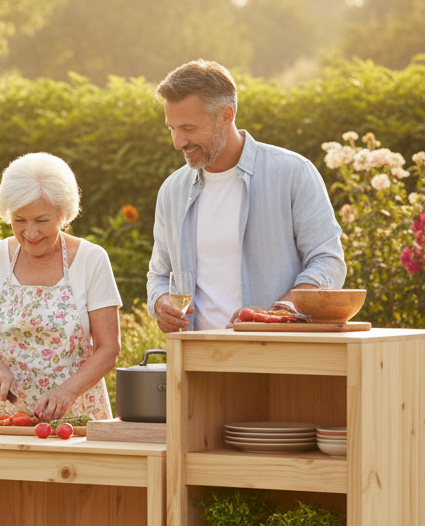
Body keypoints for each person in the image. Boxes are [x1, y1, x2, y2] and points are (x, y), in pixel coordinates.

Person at [148, 59, 346, 333]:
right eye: (172, 128)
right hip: (198, 362)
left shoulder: (293, 173)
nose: (178, 142)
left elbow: (328, 260)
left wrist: (280, 312)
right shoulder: (172, 191)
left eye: (189, 129)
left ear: (226, 115)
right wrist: (161, 303)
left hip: (278, 357)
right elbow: (159, 273)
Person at [0, 153, 121, 422]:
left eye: (41, 221)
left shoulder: (92, 259)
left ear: (63, 214)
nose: (30, 233)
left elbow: (108, 348)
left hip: (77, 412)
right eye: (19, 220)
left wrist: (67, 392)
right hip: (7, 415)